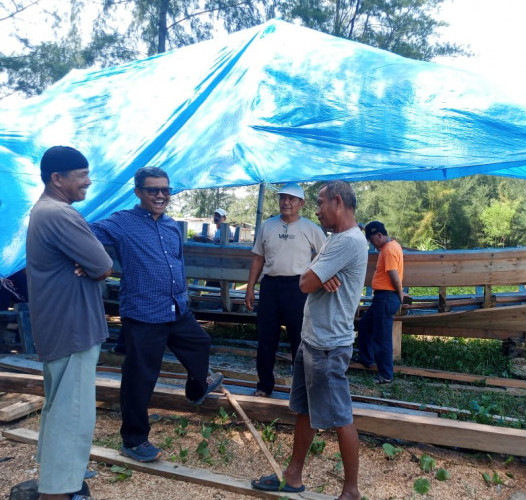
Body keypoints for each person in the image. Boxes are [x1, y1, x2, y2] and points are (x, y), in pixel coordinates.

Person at [90, 166, 223, 463]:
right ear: (138, 192)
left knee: (200, 343)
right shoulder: (122, 222)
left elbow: (176, 261)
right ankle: (134, 440)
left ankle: (196, 389)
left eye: (166, 190)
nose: (161, 195)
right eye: (153, 190)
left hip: (175, 307)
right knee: (140, 378)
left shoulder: (172, 226)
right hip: (143, 312)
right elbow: (85, 233)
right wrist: (89, 262)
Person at [252, 181, 367, 500]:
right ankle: (292, 475)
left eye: (320, 203)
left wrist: (314, 274)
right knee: (305, 410)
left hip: (329, 344)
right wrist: (317, 273)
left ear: (338, 202)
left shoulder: (347, 242)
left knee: (341, 417)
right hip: (313, 339)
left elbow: (303, 282)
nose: (316, 210)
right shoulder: (335, 238)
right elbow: (312, 277)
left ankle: (351, 490)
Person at [26, 146, 113, 500]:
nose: (88, 182)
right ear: (56, 179)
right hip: (73, 330)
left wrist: (89, 265)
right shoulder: (60, 214)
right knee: (71, 417)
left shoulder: (43, 212)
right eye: (80, 176)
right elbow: (103, 264)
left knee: (59, 408)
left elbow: (93, 264)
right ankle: (57, 493)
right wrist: (92, 267)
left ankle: (54, 485)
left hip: (60, 327)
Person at [245, 182, 326, 397]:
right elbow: (258, 258)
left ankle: (301, 390)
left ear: (301, 203)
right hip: (270, 287)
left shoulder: (310, 228)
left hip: (297, 288)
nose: (286, 202)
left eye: (291, 199)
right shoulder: (268, 226)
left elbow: (326, 254)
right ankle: (264, 386)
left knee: (299, 340)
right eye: (283, 198)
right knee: (266, 339)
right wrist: (250, 288)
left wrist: (313, 275)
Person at [354, 221, 404, 384]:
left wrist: (400, 293)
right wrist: (361, 226)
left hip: (387, 297)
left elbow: (393, 274)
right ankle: (367, 359)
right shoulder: (392, 245)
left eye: (372, 240)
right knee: (364, 325)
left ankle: (386, 374)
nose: (372, 244)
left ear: (380, 236)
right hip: (382, 297)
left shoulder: (388, 250)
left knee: (382, 338)